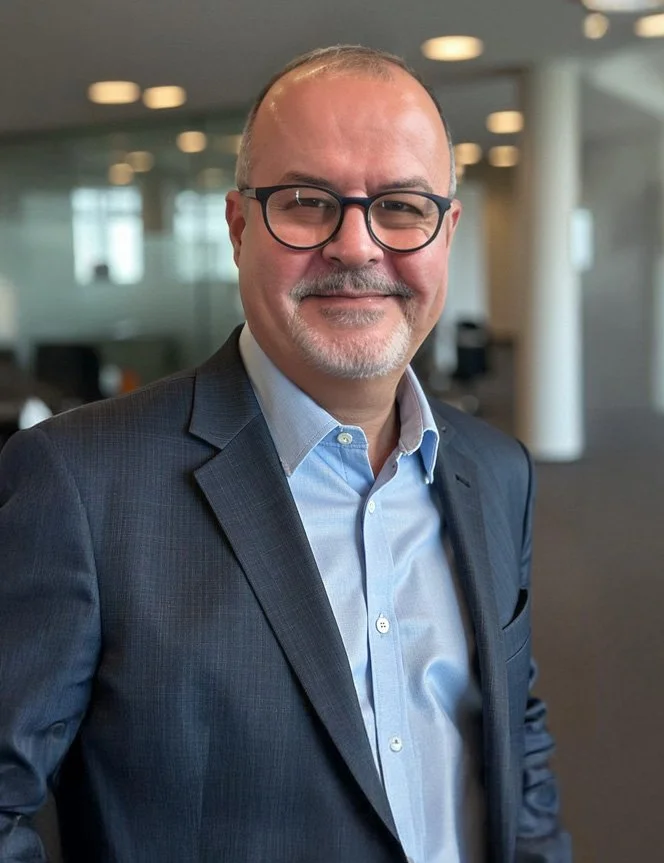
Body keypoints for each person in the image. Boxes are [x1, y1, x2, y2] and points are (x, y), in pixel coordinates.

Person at [0, 46, 572, 863]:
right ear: (238, 228)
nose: (356, 245)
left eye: (402, 206)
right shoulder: (81, 485)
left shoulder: (495, 469)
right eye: (307, 202)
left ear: (446, 232)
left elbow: (516, 737)